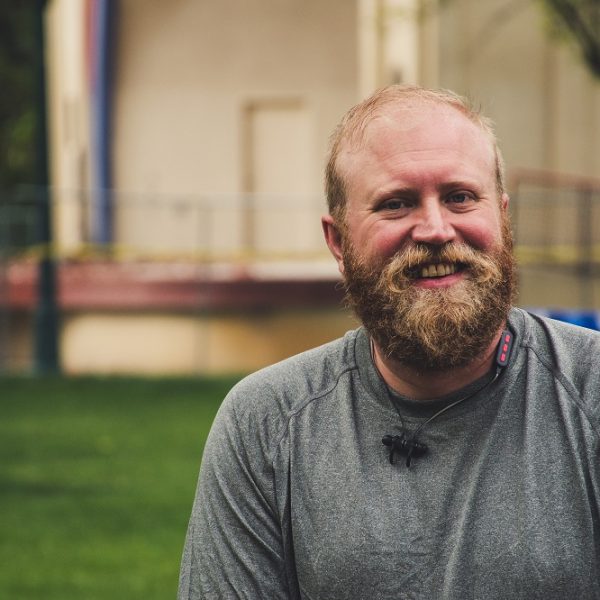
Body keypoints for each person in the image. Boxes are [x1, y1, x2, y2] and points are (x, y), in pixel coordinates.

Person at [178, 85, 600, 599]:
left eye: (460, 197)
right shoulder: (266, 427)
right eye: (396, 204)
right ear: (338, 242)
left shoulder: (591, 393)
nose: (436, 229)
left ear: (503, 215)